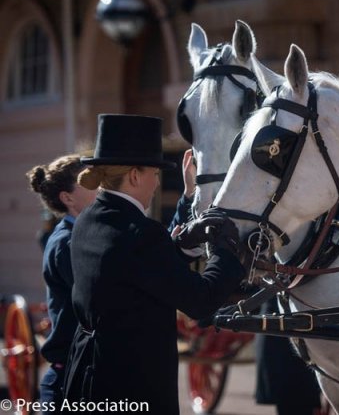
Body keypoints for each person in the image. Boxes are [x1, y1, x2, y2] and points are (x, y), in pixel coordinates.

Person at [63, 114, 244, 414]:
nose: (157, 182)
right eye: (154, 173)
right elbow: (201, 300)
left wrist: (183, 233)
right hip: (132, 383)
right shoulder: (140, 235)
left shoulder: (88, 220)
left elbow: (134, 272)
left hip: (87, 374)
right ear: (135, 175)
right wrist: (229, 250)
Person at [26, 154, 98, 412]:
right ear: (67, 198)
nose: (98, 185)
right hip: (69, 380)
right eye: (87, 180)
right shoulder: (66, 243)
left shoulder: (81, 235)